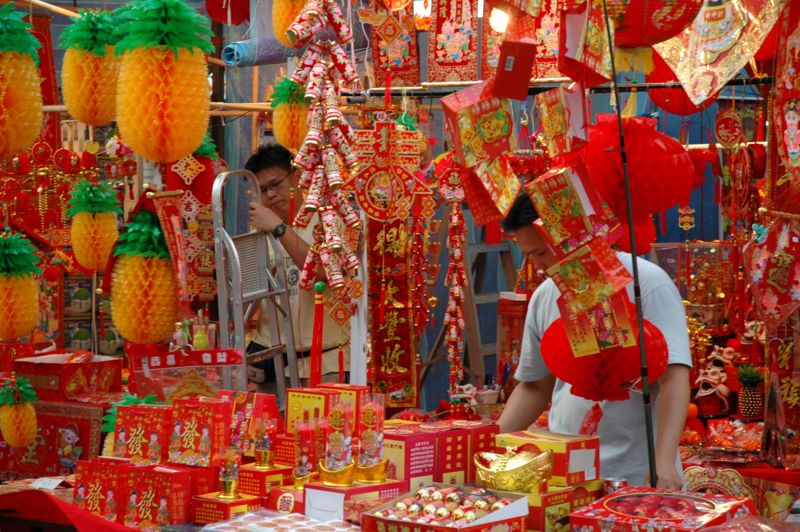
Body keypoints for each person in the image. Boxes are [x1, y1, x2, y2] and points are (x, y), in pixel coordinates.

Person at [497, 192, 691, 489]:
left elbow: (674, 378)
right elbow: (536, 385)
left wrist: (663, 461)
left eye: (539, 253)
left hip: (637, 473)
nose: (536, 266)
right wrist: (492, 444)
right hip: (566, 471)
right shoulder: (546, 295)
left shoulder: (646, 283)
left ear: (566, 237)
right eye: (529, 255)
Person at [245, 144, 350, 390]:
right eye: (262, 190)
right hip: (274, 367)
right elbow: (245, 310)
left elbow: (323, 273)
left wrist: (279, 228)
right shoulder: (258, 233)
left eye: (275, 184)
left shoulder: (328, 220)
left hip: (325, 365)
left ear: (296, 176)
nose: (270, 195)